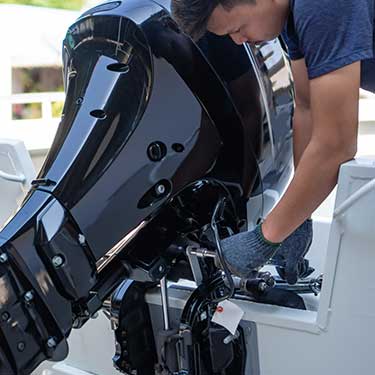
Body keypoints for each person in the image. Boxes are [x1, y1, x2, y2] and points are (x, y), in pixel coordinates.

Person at [171, 0, 375, 283]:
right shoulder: (291, 14)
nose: (239, 40)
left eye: (238, 28)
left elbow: (336, 145)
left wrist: (264, 238)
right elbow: (307, 108)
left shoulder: (321, 6)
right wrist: (298, 217)